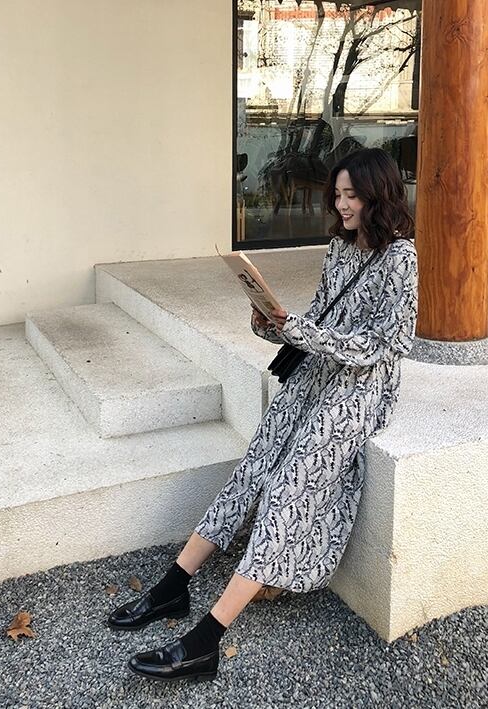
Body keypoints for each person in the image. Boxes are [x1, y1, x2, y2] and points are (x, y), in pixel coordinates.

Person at [108, 148, 419, 683]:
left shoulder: (401, 260)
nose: (341, 205)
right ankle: (173, 587)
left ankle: (206, 641)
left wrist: (302, 330)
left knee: (286, 490)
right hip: (316, 372)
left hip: (360, 391)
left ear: (379, 195)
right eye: (337, 195)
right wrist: (270, 322)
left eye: (351, 196)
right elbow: (320, 318)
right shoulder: (340, 248)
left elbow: (388, 345)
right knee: (252, 469)